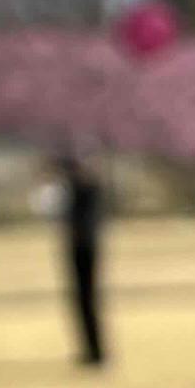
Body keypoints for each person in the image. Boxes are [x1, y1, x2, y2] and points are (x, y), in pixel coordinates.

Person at [56, 152, 106, 368]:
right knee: (81, 301)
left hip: (86, 249)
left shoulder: (89, 191)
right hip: (79, 249)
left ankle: (96, 352)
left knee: (87, 299)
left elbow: (85, 223)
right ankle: (90, 350)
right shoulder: (76, 190)